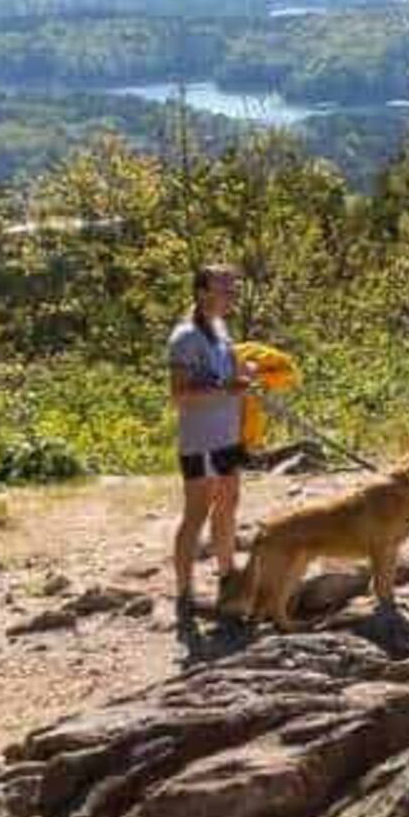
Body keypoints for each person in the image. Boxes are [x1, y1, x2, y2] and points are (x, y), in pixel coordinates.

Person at [167, 264, 250, 619]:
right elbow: (180, 395)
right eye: (225, 290)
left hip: (228, 436)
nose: (232, 296)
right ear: (202, 293)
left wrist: (246, 375)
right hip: (200, 440)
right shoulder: (185, 337)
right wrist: (226, 389)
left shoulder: (220, 328)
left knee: (229, 502)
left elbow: (229, 375)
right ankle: (184, 592)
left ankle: (228, 576)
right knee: (197, 512)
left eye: (234, 290)